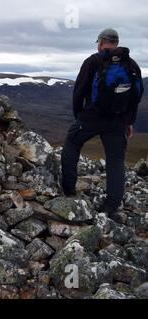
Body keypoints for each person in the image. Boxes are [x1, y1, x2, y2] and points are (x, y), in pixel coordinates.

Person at [61, 28, 144, 220]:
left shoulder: (92, 62)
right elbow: (136, 96)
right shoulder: (131, 65)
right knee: (115, 160)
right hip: (118, 122)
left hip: (91, 117)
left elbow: (79, 92)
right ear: (116, 42)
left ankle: (69, 190)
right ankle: (111, 206)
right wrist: (129, 121)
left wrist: (79, 117)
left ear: (100, 42)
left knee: (72, 143)